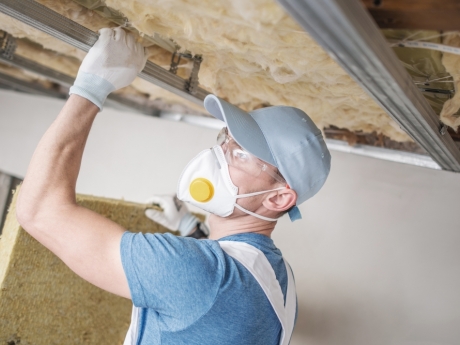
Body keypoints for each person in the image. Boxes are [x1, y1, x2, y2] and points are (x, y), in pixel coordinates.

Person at [15, 27, 331, 345]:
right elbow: (221, 297)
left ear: (278, 198)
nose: (218, 154)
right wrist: (190, 228)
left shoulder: (192, 270)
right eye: (226, 139)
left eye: (239, 154)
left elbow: (38, 210)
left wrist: (91, 88)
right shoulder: (279, 278)